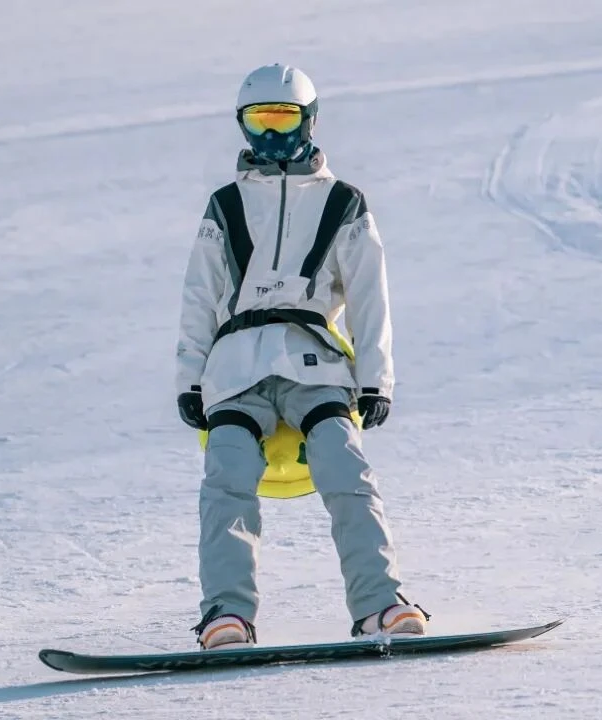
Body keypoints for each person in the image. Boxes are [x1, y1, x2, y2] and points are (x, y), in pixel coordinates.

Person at [175, 63, 427, 649]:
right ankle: (226, 615)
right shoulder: (226, 205)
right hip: (235, 367)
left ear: (309, 121)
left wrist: (376, 380)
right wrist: (189, 379)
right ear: (242, 125)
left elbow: (368, 294)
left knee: (345, 469)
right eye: (259, 120)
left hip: (312, 361)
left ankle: (380, 604)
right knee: (226, 480)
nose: (271, 134)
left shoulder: (343, 202)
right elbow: (199, 295)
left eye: (283, 118)